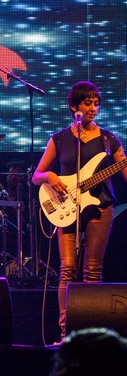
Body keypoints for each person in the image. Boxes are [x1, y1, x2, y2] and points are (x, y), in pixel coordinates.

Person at [32, 81, 127, 339]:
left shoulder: (109, 139)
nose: (93, 108)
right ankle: (66, 334)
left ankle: (89, 334)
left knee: (92, 271)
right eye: (88, 103)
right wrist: (50, 176)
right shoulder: (60, 139)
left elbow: (124, 169)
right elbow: (37, 176)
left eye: (96, 103)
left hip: (99, 207)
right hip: (66, 208)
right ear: (75, 106)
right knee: (67, 270)